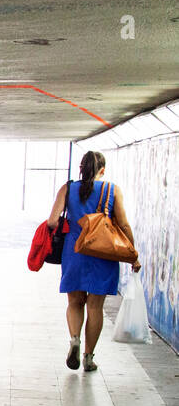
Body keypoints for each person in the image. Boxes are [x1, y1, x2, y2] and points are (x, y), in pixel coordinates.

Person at [47, 150, 141, 372]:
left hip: (75, 250)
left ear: (81, 168)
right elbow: (124, 224)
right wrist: (132, 253)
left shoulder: (67, 188)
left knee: (74, 302)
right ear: (102, 170)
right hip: (103, 252)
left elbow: (52, 221)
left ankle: (74, 340)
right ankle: (89, 358)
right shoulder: (111, 190)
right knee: (95, 306)